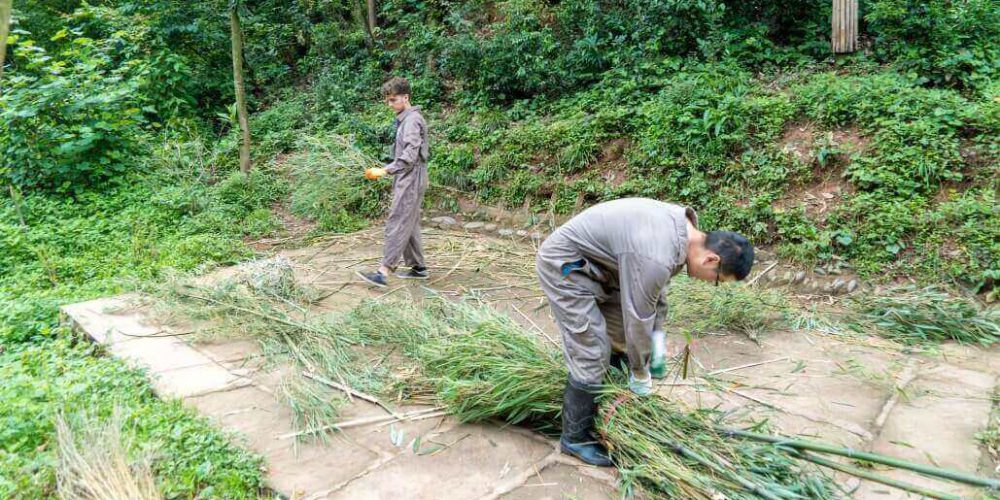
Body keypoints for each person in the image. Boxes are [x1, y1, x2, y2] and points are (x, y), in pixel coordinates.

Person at [536, 198, 754, 466]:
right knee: (592, 349)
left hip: (605, 269)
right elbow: (638, 320)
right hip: (567, 266)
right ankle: (575, 438)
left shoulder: (682, 235)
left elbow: (657, 303)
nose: (712, 284)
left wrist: (656, 361)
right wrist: (641, 372)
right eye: (718, 280)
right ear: (711, 259)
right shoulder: (657, 254)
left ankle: (606, 397)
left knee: (617, 337)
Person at [358, 77, 430, 288]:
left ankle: (384, 271)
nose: (389, 104)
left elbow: (410, 154)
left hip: (411, 176)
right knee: (409, 221)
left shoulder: (412, 120)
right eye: (388, 100)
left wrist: (384, 170)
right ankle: (418, 267)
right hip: (408, 175)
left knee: (398, 220)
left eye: (393, 100)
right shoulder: (406, 119)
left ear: (405, 97)